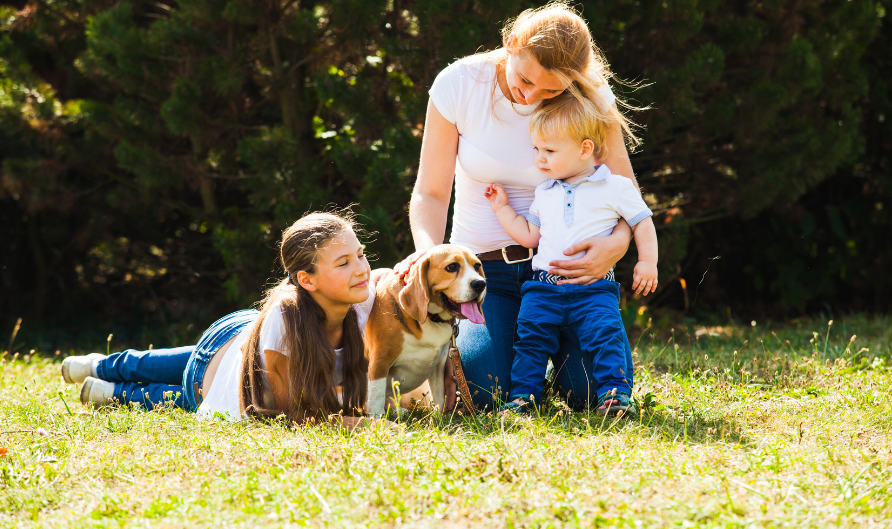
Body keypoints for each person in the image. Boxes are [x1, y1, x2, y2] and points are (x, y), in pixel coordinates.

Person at [408, 2, 645, 409]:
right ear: (511, 43)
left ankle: (548, 360)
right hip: (485, 272)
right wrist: (429, 256)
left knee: (592, 392)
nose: (532, 96)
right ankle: (524, 359)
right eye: (525, 80)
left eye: (551, 91)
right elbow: (430, 193)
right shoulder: (459, 84)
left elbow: (625, 191)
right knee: (487, 392)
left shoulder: (590, 93)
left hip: (567, 273)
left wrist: (618, 244)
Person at [60, 212, 391, 429]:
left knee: (183, 390)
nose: (362, 268)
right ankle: (105, 374)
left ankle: (101, 381)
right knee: (187, 393)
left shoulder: (364, 299)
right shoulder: (285, 321)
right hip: (215, 360)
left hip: (247, 338)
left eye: (361, 254)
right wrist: (359, 425)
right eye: (344, 262)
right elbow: (291, 415)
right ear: (307, 280)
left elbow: (403, 289)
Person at [484, 88, 658, 415]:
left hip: (593, 290)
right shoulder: (545, 192)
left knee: (605, 339)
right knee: (530, 341)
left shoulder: (615, 186)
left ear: (584, 149)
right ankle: (525, 397)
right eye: (537, 148)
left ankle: (616, 396)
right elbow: (529, 235)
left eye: (549, 150)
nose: (540, 158)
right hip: (543, 288)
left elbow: (642, 222)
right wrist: (502, 208)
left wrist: (647, 261)